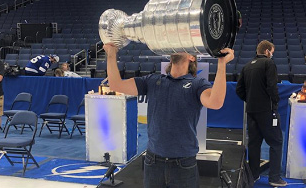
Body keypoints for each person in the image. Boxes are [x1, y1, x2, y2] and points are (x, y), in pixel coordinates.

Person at [103, 42, 234, 188]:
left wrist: (222, 64)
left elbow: (215, 102)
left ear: (192, 57)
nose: (178, 47)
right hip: (153, 162)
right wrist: (111, 54)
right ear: (170, 57)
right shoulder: (153, 81)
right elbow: (115, 85)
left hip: (183, 164)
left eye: (184, 47)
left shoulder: (197, 84)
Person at [236, 40, 287, 187]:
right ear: (267, 51)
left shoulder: (246, 66)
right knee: (276, 142)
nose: (272, 55)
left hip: (252, 111)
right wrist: (275, 101)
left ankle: (253, 175)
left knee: (254, 143)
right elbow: (272, 86)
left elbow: (239, 90)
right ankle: (274, 177)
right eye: (272, 52)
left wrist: (250, 100)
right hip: (267, 111)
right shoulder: (269, 64)